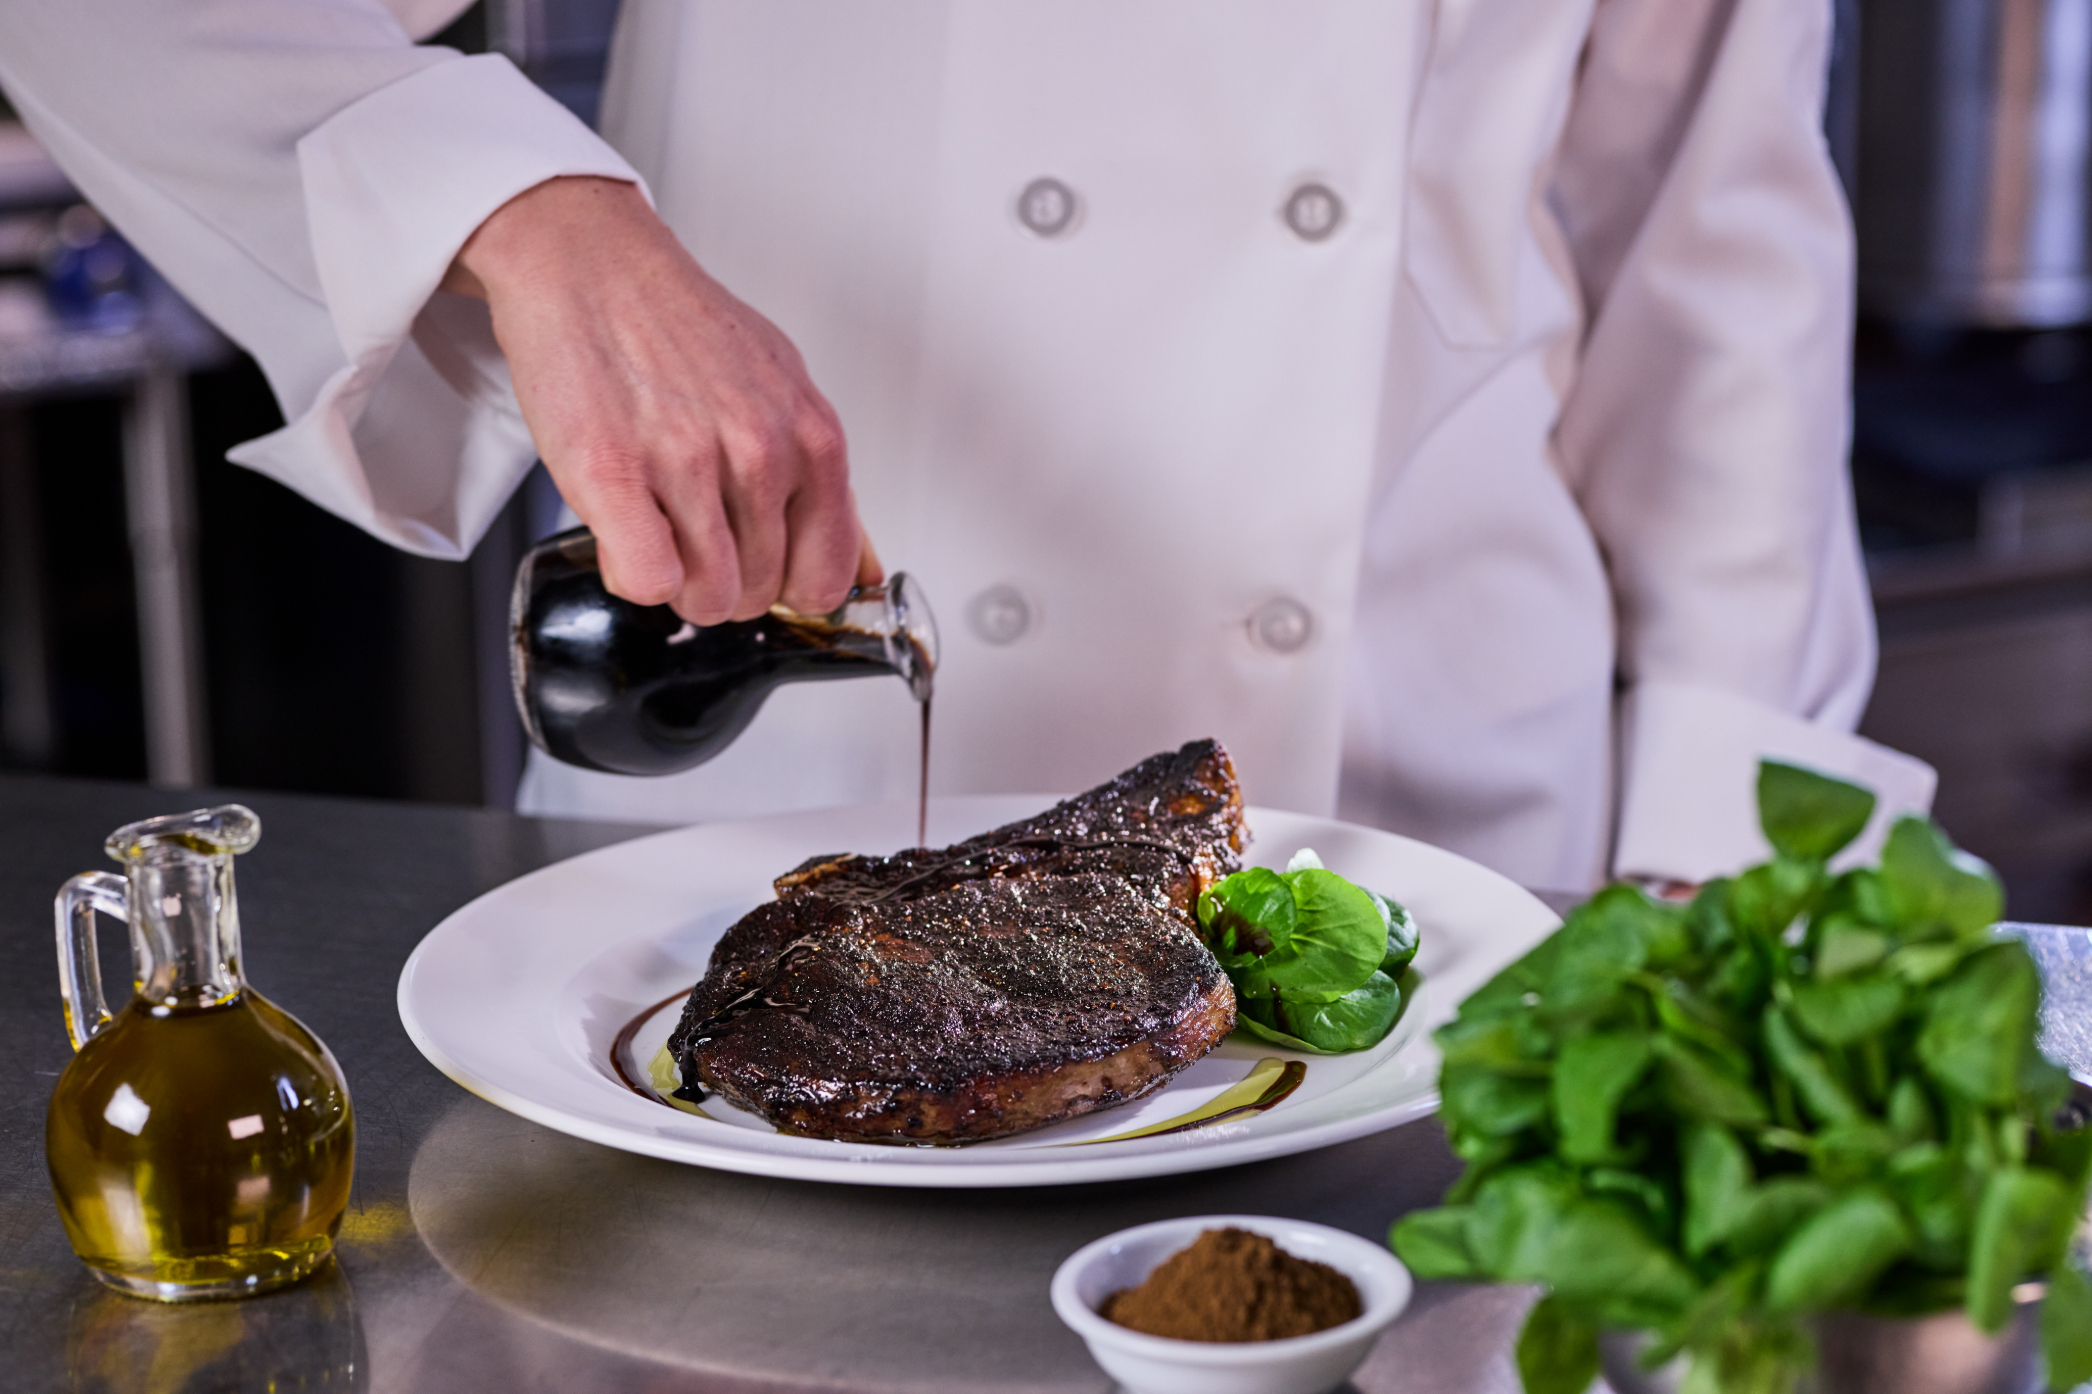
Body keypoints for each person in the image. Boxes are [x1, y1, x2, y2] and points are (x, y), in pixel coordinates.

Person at [0, 0, 1934, 891]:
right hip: (792, 834)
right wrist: (526, 212)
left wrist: (1740, 880)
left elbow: (1710, 262)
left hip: (1438, 859)